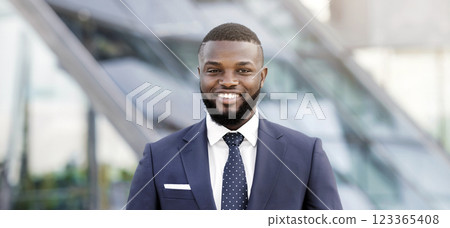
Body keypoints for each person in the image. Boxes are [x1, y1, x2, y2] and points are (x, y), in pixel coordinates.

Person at [126, 23, 342, 210]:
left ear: (262, 77)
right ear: (200, 75)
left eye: (243, 71)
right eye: (214, 70)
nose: (228, 81)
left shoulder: (306, 155)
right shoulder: (159, 157)